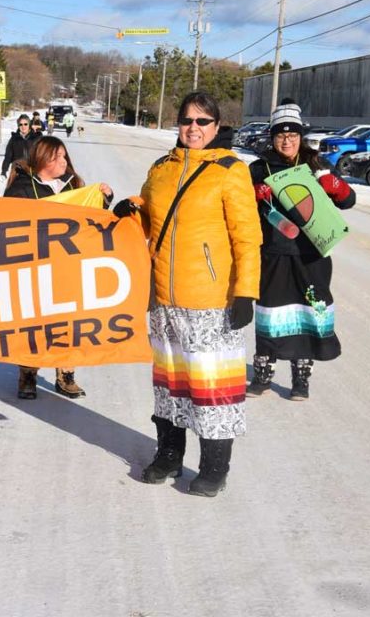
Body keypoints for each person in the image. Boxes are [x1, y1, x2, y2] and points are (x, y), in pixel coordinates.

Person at [113, 90, 261, 497]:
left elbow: (247, 238)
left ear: (216, 127)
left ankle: (215, 466)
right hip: (162, 297)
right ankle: (169, 455)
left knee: (211, 388)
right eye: (186, 120)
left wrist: (246, 292)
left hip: (212, 301)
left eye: (202, 121)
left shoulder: (231, 170)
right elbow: (149, 215)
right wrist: (130, 211)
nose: (193, 128)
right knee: (169, 383)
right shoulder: (161, 168)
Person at [247, 100, 356, 401]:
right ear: (272, 137)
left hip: (312, 256)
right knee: (270, 313)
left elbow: (348, 201)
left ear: (300, 137)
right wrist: (253, 196)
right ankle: (263, 373)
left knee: (310, 312)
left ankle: (301, 378)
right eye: (280, 135)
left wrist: (337, 187)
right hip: (273, 254)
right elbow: (239, 209)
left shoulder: (317, 167)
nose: (286, 140)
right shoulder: (258, 169)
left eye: (292, 134)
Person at [4, 135, 113, 400]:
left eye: (65, 156)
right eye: (58, 157)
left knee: (67, 322)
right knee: (33, 323)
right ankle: (27, 374)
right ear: (42, 159)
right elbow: (4, 223)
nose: (64, 161)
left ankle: (66, 375)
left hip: (67, 267)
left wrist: (105, 199)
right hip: (33, 267)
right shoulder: (21, 188)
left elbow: (92, 220)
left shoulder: (74, 186)